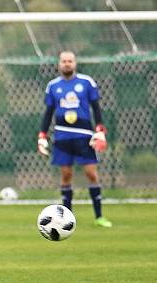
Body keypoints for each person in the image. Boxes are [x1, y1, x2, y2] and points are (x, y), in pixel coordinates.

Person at [38, 50, 111, 227]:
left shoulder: (86, 82)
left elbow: (96, 107)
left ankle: (99, 216)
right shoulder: (53, 86)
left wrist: (100, 129)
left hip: (84, 135)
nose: (67, 64)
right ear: (59, 64)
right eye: (64, 61)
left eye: (70, 61)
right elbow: (48, 113)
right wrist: (42, 135)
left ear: (75, 63)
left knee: (91, 174)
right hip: (62, 135)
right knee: (66, 175)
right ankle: (65, 218)